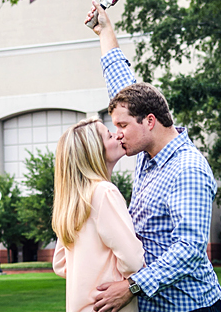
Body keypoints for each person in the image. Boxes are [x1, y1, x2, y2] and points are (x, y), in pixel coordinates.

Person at [85, 0, 221, 312]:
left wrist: (131, 286)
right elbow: (123, 86)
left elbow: (189, 249)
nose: (117, 132)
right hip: (153, 305)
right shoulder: (147, 151)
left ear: (150, 121)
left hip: (187, 307)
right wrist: (105, 31)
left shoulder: (188, 168)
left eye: (122, 125)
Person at [52, 117, 145, 312]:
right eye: (109, 135)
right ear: (94, 151)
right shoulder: (104, 192)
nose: (118, 135)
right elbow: (134, 261)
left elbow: (60, 264)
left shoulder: (73, 201)